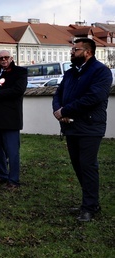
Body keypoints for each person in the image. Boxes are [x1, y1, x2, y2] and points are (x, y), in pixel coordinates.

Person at [52, 38, 112, 222]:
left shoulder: (101, 72)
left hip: (90, 126)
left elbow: (93, 97)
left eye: (75, 50)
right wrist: (58, 110)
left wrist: (65, 110)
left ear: (87, 52)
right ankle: (90, 203)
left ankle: (89, 207)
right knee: (78, 166)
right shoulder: (71, 73)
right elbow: (58, 94)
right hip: (71, 126)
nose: (71, 52)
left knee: (87, 166)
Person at [0, 50, 27, 189]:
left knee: (12, 151)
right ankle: (2, 176)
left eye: (6, 57)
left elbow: (17, 90)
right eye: (0, 58)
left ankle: (13, 180)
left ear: (11, 58)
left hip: (10, 118)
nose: (3, 60)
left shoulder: (20, 72)